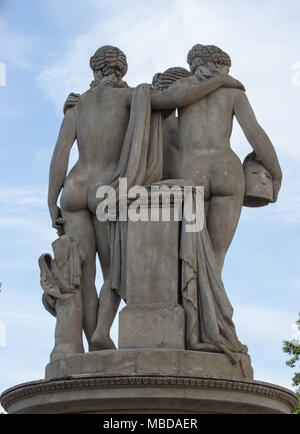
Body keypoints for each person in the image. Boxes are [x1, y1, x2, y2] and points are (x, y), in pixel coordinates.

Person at [48, 45, 245, 351]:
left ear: (95, 71)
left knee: (81, 276)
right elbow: (174, 99)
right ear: (121, 69)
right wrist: (220, 81)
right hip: (106, 191)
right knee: (114, 271)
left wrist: (52, 201)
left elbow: (60, 154)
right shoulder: (132, 97)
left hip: (74, 187)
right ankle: (102, 330)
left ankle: (93, 346)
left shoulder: (77, 106)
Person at [176, 44, 282, 276]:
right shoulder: (233, 91)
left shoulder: (181, 90)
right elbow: (255, 133)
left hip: (191, 173)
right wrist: (277, 173)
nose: (227, 74)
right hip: (227, 169)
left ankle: (191, 309)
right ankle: (212, 309)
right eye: (225, 68)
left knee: (189, 252)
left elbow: (155, 106)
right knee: (217, 255)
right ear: (215, 64)